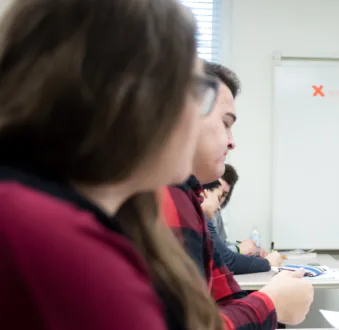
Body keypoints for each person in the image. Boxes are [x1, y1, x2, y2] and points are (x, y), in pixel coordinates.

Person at [0, 0, 223, 329]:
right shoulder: (60, 247)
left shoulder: (106, 216)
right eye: (195, 88)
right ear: (132, 94)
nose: (200, 114)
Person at [161, 61, 313, 328]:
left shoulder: (187, 198)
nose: (232, 141)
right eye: (225, 123)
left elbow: (223, 297)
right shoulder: (166, 197)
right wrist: (271, 303)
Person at [200, 167, 283, 274]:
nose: (220, 205)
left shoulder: (204, 215)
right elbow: (228, 260)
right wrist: (267, 262)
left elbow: (221, 248)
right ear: (206, 192)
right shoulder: (201, 217)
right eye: (218, 196)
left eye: (224, 195)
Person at [201, 164, 263, 257]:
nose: (221, 200)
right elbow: (213, 253)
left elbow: (222, 245)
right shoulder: (198, 213)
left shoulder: (216, 213)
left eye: (224, 195)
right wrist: (239, 249)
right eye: (218, 195)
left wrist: (247, 247)